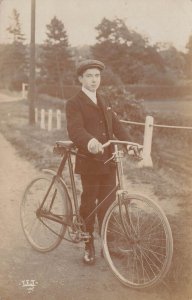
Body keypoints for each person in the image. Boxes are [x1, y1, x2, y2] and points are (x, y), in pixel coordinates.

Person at [66, 59, 131, 265]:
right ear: (80, 78)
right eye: (89, 76)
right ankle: (88, 244)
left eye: (97, 76)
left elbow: (116, 125)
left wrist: (129, 143)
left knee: (108, 203)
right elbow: (75, 130)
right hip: (90, 160)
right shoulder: (74, 102)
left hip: (109, 160)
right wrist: (90, 141)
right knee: (89, 203)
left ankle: (108, 246)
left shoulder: (104, 99)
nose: (94, 80)